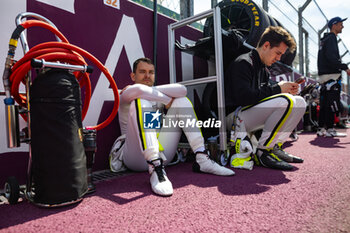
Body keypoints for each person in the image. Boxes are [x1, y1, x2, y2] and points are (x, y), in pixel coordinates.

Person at [110, 58, 234, 197]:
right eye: (142, 72)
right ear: (133, 76)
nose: (147, 76)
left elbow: (182, 90)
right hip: (134, 158)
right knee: (141, 101)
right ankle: (155, 167)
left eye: (151, 72)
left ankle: (202, 158)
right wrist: (167, 99)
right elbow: (138, 90)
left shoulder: (155, 94)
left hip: (163, 155)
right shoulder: (127, 93)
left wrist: (157, 95)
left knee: (181, 101)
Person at [225, 26, 306, 171]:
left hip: (248, 116)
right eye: (278, 53)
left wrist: (286, 89)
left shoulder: (265, 70)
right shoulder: (243, 62)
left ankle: (275, 147)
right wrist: (279, 89)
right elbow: (244, 98)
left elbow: (263, 96)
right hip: (233, 120)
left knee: (299, 102)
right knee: (285, 101)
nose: (279, 58)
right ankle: (263, 152)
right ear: (266, 45)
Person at [317, 17, 350, 137]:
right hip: (331, 75)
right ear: (334, 25)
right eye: (341, 24)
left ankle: (321, 129)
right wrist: (345, 67)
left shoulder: (325, 39)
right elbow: (331, 58)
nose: (342, 27)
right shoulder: (331, 38)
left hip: (324, 75)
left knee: (325, 103)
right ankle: (330, 129)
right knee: (332, 103)